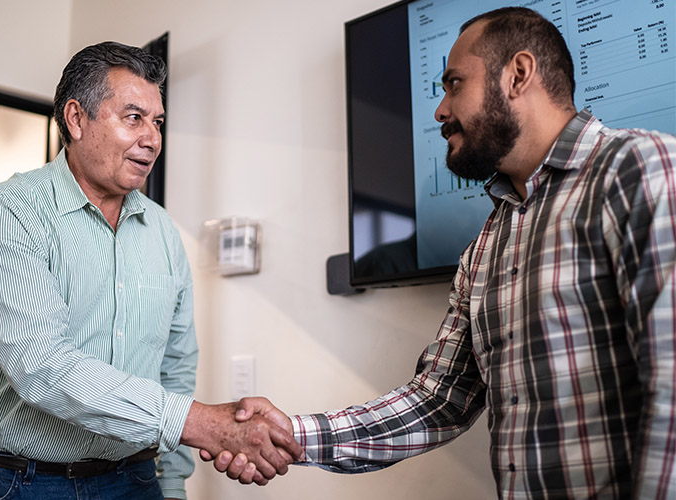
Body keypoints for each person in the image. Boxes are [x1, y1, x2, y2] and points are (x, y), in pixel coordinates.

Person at [205, 7, 676, 498]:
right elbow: (438, 400)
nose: (440, 110)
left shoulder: (638, 170)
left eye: (454, 84)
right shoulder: (484, 248)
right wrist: (293, 434)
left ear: (518, 75)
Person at [0, 41, 301, 500]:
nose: (152, 139)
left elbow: (175, 366)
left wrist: (171, 484)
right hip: (19, 482)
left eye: (157, 122)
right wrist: (203, 425)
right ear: (76, 119)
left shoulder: (164, 234)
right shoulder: (6, 214)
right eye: (133, 118)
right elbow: (44, 368)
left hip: (136, 479)